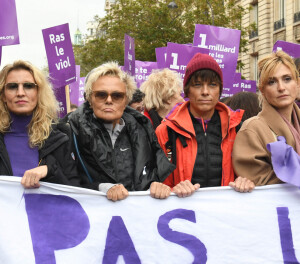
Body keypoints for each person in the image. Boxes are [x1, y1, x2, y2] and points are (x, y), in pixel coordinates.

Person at [66, 61, 175, 201]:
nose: (109, 100)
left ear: (126, 100)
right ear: (89, 99)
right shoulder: (70, 132)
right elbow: (65, 182)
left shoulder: (144, 131)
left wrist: (156, 185)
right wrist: (102, 188)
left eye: (117, 96)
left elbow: (149, 176)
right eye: (101, 95)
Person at [155, 53, 254, 196]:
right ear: (187, 90)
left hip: (226, 213)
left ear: (220, 90)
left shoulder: (238, 128)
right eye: (198, 85)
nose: (205, 92)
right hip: (184, 212)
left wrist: (246, 181)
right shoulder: (166, 131)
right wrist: (172, 189)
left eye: (212, 85)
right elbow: (161, 182)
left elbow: (249, 173)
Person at [0, 60, 80, 188]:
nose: (20, 93)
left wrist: (49, 170)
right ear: (3, 95)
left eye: (28, 86)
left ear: (39, 92)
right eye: (12, 86)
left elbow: (76, 190)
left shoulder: (61, 136)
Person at [233, 50, 300, 185]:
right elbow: (260, 185)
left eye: (287, 79)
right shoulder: (252, 129)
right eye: (272, 82)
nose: (281, 87)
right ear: (262, 90)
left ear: (297, 83)